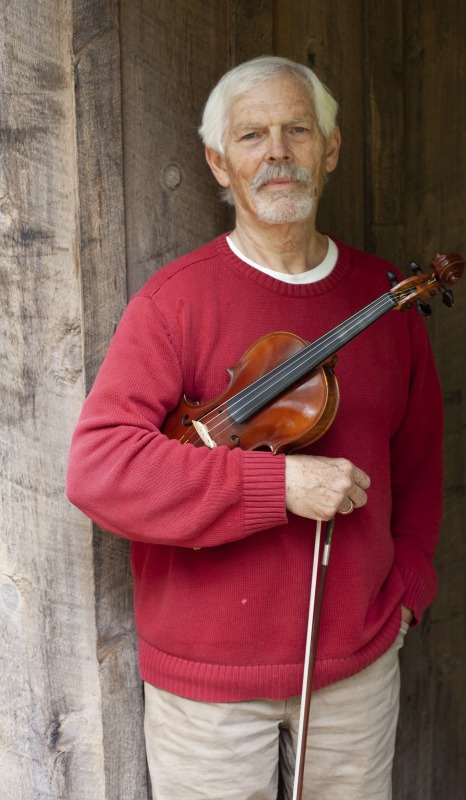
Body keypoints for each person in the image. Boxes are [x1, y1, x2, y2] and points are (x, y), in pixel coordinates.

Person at [66, 56, 443, 800]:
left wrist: (405, 592)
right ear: (218, 161)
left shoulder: (384, 301)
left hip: (355, 669)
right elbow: (100, 470)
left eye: (297, 130)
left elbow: (420, 465)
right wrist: (279, 484)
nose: (277, 151)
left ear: (328, 149)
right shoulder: (174, 302)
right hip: (207, 688)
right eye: (251, 136)